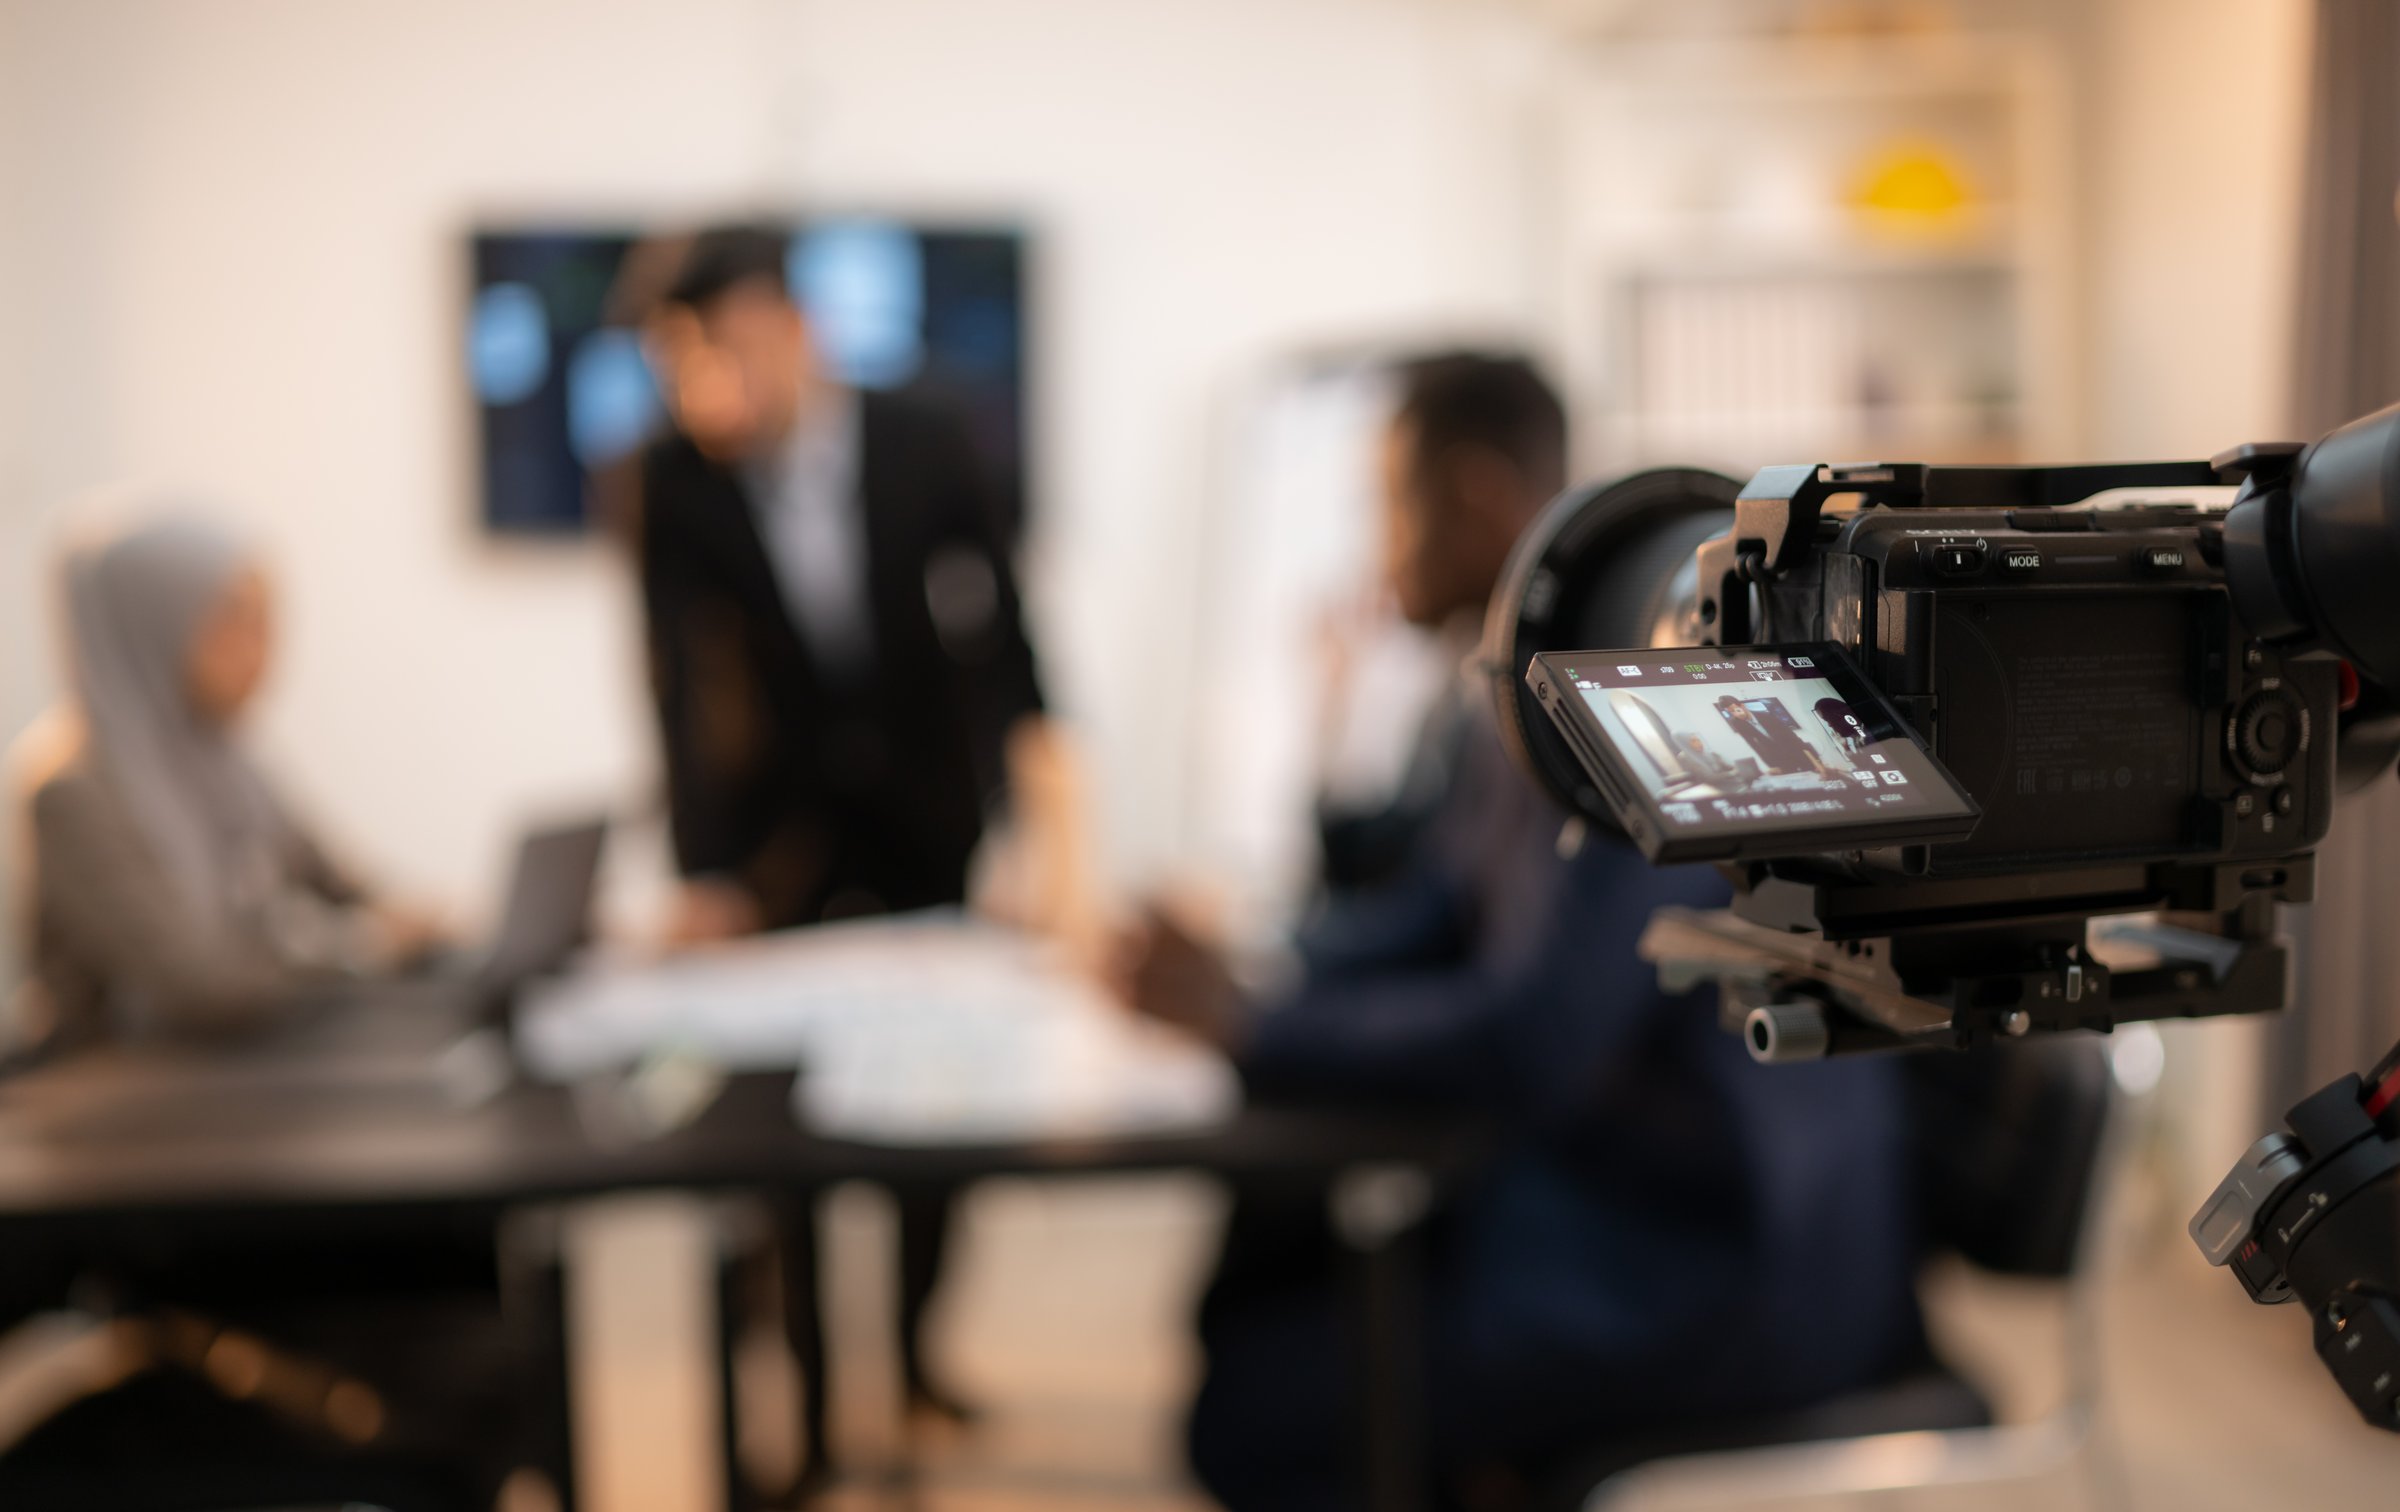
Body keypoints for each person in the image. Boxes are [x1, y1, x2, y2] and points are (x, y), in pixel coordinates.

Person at [1113, 353, 1923, 1509]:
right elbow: (1443, 911)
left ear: (1480, 498)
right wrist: (1259, 978)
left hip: (1725, 1260)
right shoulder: (1518, 692)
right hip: (1621, 1192)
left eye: (1388, 504)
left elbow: (1533, 1041)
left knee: (1249, 1410)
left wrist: (1254, 1023)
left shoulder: (1658, 690)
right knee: (1265, 1289)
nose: (1376, 543)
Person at [622, 225, 1079, 1438]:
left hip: (927, 821)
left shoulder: (927, 436)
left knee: (943, 1101)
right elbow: (674, 683)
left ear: (793, 328)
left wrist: (1040, 844)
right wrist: (704, 872)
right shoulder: (666, 478)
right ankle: (814, 1398)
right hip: (777, 839)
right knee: (778, 1121)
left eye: (721, 353)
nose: (704, 389)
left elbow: (1009, 647)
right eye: (677, 364)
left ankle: (915, 1354)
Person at [11, 513, 438, 1050]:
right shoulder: (73, 791)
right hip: (119, 1076)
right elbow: (201, 983)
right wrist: (363, 945)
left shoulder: (225, 762)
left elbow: (334, 879)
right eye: (234, 622)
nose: (262, 650)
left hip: (225, 1059)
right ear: (153, 623)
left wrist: (430, 920)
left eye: (267, 623)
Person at [1714, 694, 1829, 777]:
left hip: (1796, 752)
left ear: (1742, 706)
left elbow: (1793, 738)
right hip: (1778, 759)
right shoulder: (1737, 723)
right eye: (1730, 712)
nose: (1735, 714)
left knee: (1817, 777)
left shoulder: (1767, 716)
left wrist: (1816, 760)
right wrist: (1771, 765)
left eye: (1735, 709)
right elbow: (1754, 745)